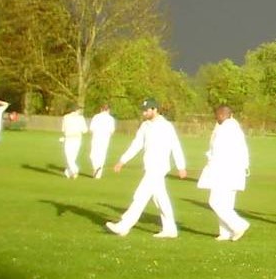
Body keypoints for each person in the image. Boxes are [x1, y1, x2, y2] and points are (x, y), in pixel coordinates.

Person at [106, 98, 187, 238]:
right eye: (143, 110)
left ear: (155, 110)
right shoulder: (145, 126)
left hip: (159, 167)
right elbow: (136, 144)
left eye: (146, 110)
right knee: (161, 199)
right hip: (149, 166)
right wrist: (122, 160)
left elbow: (175, 146)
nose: (144, 113)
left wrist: (181, 166)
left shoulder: (166, 126)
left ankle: (124, 225)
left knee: (140, 196)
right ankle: (170, 229)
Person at [198, 104, 251, 240]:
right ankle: (225, 233)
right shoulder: (232, 127)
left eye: (217, 115)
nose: (215, 117)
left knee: (215, 201)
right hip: (234, 171)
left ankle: (239, 225)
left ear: (222, 115)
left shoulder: (226, 128)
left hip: (224, 172)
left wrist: (210, 166)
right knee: (226, 203)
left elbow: (217, 152)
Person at [88, 103, 116, 178]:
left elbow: (91, 128)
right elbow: (112, 131)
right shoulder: (111, 119)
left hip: (96, 137)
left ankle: (96, 168)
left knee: (93, 154)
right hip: (105, 138)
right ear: (108, 110)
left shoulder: (96, 117)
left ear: (101, 109)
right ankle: (98, 173)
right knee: (102, 154)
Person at [61, 104, 89, 178]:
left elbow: (63, 129)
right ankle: (70, 172)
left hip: (69, 139)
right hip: (77, 139)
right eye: (79, 109)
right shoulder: (80, 118)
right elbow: (85, 130)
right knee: (72, 157)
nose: (80, 111)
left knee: (69, 157)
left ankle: (73, 170)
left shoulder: (66, 117)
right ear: (76, 110)